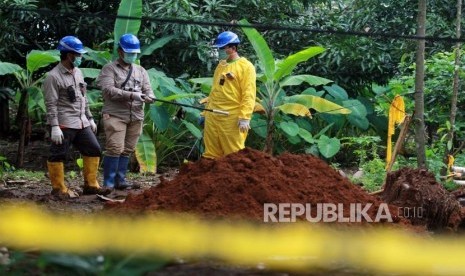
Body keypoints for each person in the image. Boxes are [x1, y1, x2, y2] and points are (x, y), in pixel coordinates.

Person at [43, 36, 111, 197]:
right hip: (63, 123)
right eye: (78, 54)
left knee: (94, 149)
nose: (80, 57)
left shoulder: (78, 72)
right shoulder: (53, 77)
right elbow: (51, 104)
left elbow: (83, 97)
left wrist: (90, 117)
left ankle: (91, 185)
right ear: (68, 55)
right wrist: (54, 126)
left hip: (81, 122)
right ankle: (59, 189)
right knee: (58, 154)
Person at [97, 33, 155, 190]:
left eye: (134, 53)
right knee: (115, 147)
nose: (132, 56)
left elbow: (147, 88)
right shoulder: (109, 69)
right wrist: (132, 95)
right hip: (116, 115)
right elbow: (108, 90)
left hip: (136, 115)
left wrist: (150, 96)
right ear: (120, 51)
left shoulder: (141, 70)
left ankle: (120, 180)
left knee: (128, 148)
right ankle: (108, 183)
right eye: (129, 53)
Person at [201, 31, 256, 159]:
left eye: (222, 48)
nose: (219, 51)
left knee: (234, 154)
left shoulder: (246, 67)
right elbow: (214, 91)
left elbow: (249, 94)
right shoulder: (220, 66)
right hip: (213, 115)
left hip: (231, 118)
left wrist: (245, 117)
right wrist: (205, 113)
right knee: (211, 153)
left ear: (233, 48)